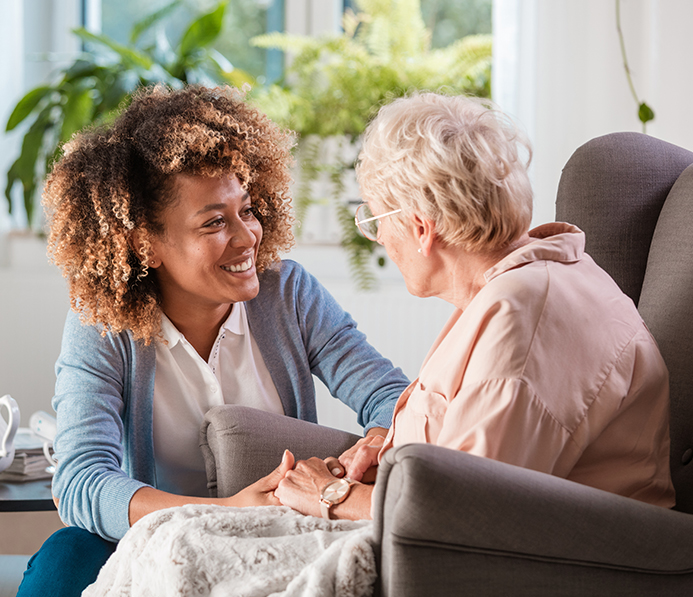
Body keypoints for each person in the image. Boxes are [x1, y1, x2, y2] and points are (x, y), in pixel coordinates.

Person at [16, 85, 409, 596]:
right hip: (150, 541)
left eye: (246, 210)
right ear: (145, 243)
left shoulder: (288, 293)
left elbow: (392, 398)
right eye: (215, 222)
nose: (247, 237)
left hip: (274, 535)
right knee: (64, 559)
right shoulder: (103, 325)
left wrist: (376, 441)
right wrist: (223, 512)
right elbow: (82, 482)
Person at [274, 92, 675, 521]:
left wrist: (332, 495)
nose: (381, 240)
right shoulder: (520, 285)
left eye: (374, 220)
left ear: (420, 227)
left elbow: (466, 512)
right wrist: (392, 453)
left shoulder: (523, 316)